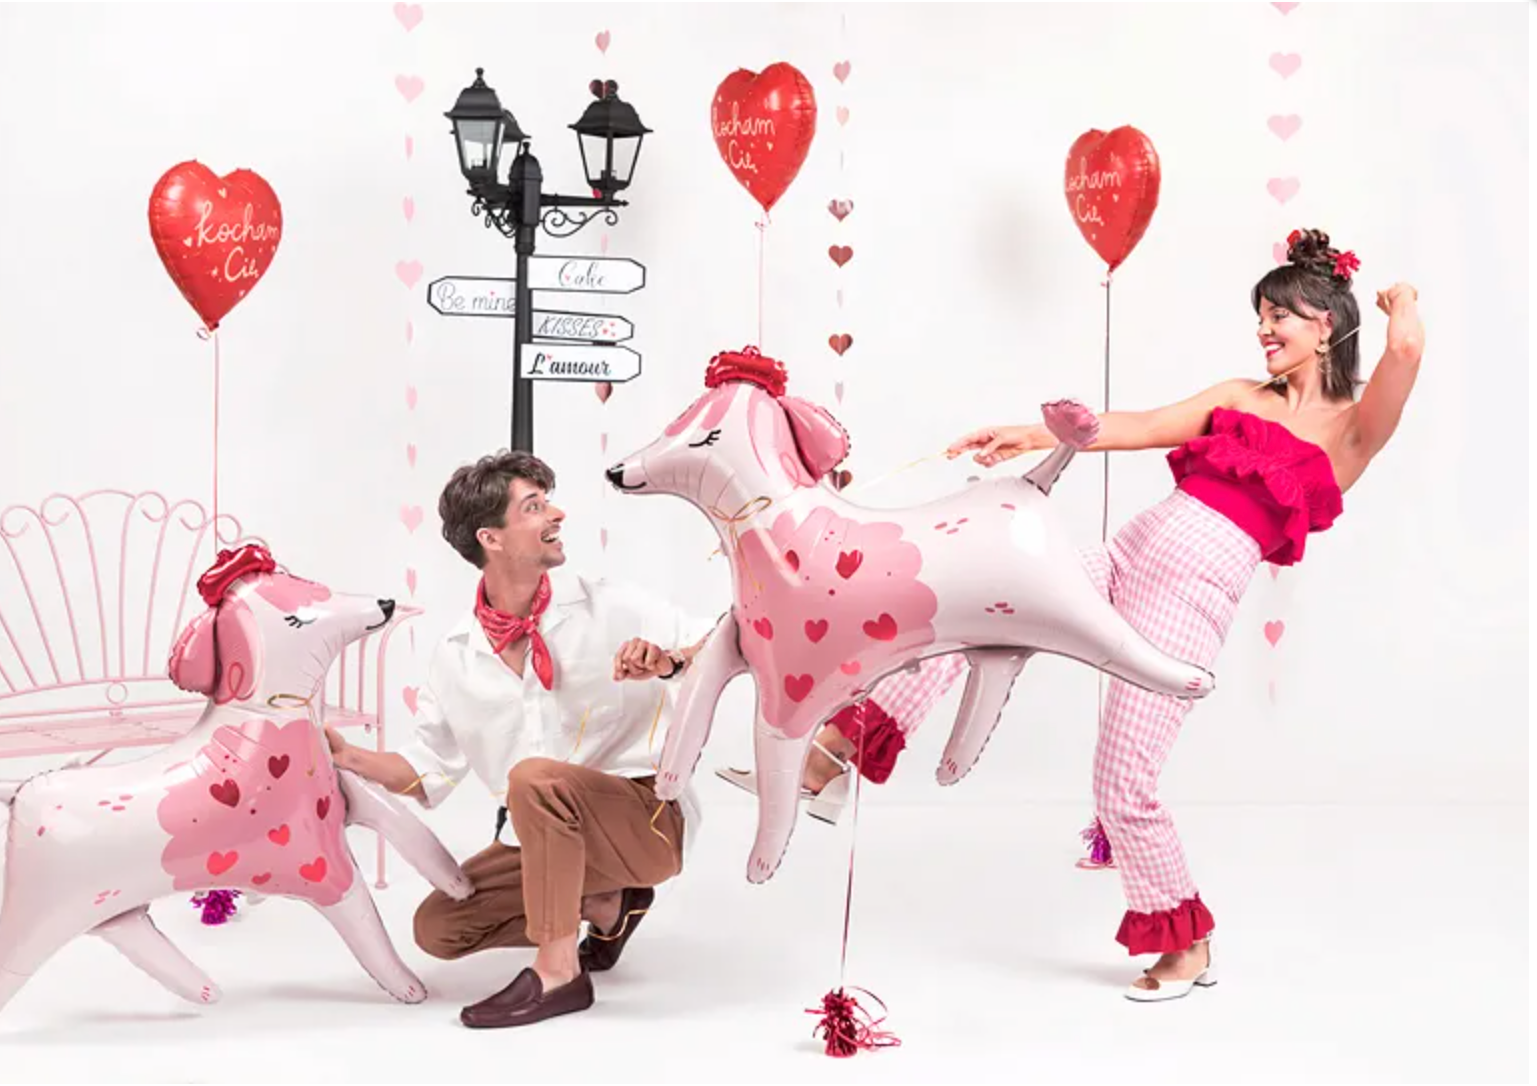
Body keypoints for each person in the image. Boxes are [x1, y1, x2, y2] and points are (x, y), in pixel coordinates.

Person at [721, 229, 1424, 1003]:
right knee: (975, 605)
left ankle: (1186, 943)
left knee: (1122, 782)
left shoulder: (1352, 432)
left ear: (1325, 324)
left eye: (1278, 317)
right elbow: (1136, 426)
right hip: (1124, 558)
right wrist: (1030, 435)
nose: (1263, 330)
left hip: (1184, 605)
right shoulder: (1239, 397)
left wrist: (1402, 301)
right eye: (1259, 316)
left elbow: (1405, 351)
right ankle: (831, 760)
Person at [327, 451, 713, 1028]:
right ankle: (606, 903)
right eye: (533, 507)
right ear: (491, 538)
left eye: (547, 501)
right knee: (440, 928)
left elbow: (726, 638)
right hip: (543, 839)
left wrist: (670, 661)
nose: (557, 514)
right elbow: (426, 769)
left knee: (532, 778)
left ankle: (558, 972)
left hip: (647, 821)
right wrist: (348, 756)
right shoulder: (455, 656)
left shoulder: (611, 604)